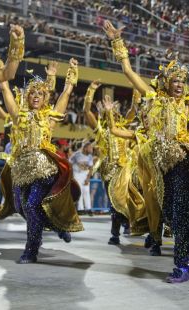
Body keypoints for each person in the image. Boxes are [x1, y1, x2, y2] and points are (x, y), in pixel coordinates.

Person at [104, 19, 189, 283]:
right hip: (162, 167)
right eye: (175, 80)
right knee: (172, 214)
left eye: (183, 81)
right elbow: (129, 73)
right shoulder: (154, 98)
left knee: (182, 212)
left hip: (184, 160)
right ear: (164, 82)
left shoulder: (186, 103)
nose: (180, 84)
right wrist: (117, 41)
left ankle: (181, 266)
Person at [0, 58, 83, 264]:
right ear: (27, 97)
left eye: (40, 93)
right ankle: (56, 226)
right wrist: (2, 75)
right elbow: (7, 92)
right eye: (32, 93)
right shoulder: (19, 115)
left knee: (33, 204)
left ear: (45, 98)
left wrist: (71, 74)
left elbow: (66, 94)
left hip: (43, 168)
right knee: (20, 206)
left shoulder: (49, 119)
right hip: (20, 169)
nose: (36, 96)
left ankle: (31, 250)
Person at [83, 81, 146, 244]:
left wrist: (135, 88)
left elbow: (133, 109)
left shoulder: (123, 129)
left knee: (124, 200)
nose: (113, 112)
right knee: (113, 202)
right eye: (109, 111)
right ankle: (117, 231)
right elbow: (86, 111)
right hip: (108, 171)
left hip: (125, 170)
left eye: (115, 110)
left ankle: (123, 226)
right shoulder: (100, 131)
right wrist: (90, 91)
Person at [70, 141, 94, 216]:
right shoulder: (76, 154)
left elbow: (91, 168)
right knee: (79, 191)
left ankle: (88, 209)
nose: (91, 149)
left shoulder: (90, 157)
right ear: (85, 147)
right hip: (77, 174)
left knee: (86, 191)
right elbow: (69, 163)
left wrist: (88, 178)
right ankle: (80, 209)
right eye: (90, 147)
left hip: (85, 175)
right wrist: (71, 175)